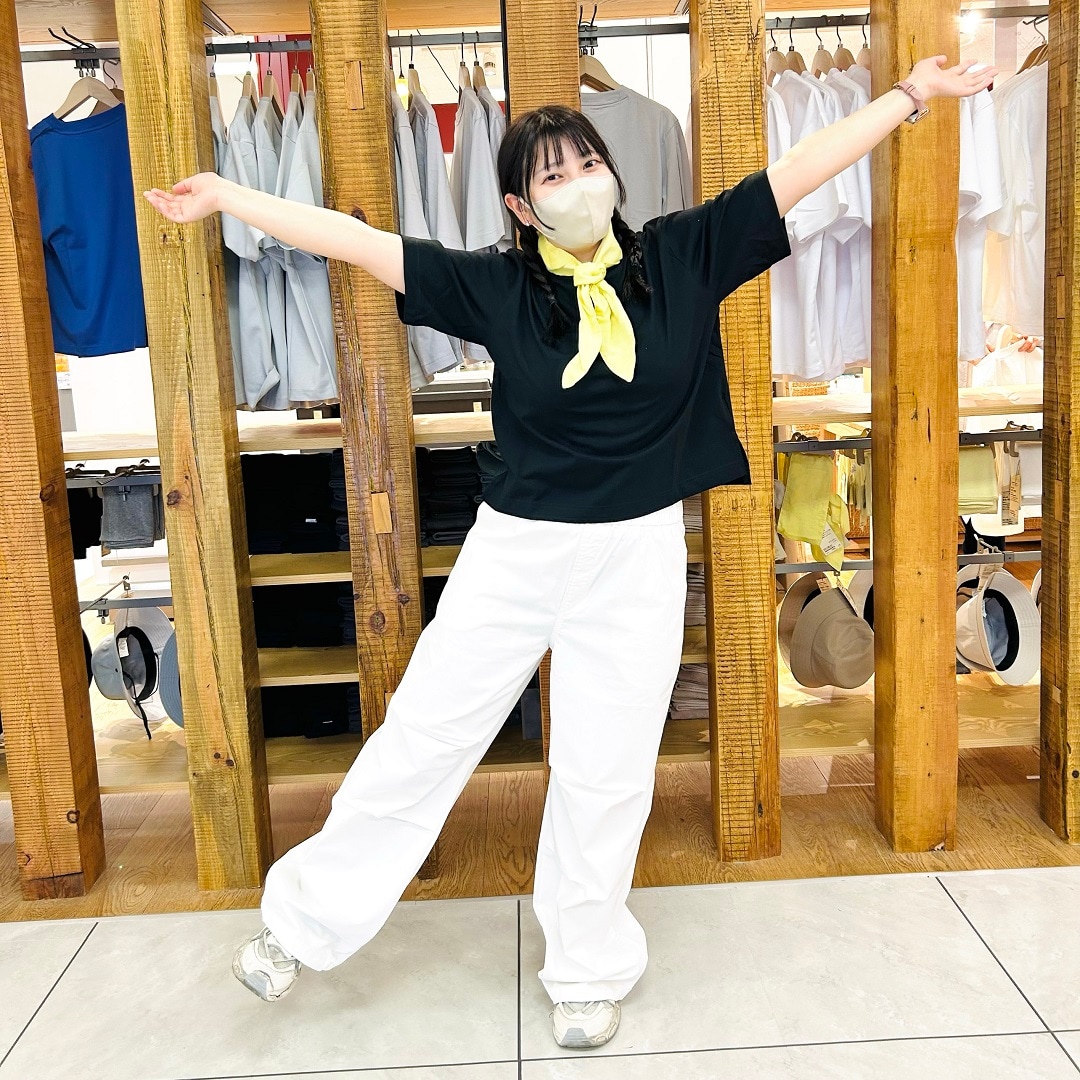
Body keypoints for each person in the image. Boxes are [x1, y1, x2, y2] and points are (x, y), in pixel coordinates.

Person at [145, 55, 994, 1050]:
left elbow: (799, 169)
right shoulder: (498, 287)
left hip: (637, 554)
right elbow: (358, 242)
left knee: (608, 764)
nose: (580, 182)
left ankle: (586, 967)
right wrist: (228, 195)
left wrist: (909, 96)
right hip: (517, 552)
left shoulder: (681, 255)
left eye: (588, 163)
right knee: (424, 737)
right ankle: (300, 926)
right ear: (520, 206)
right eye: (553, 175)